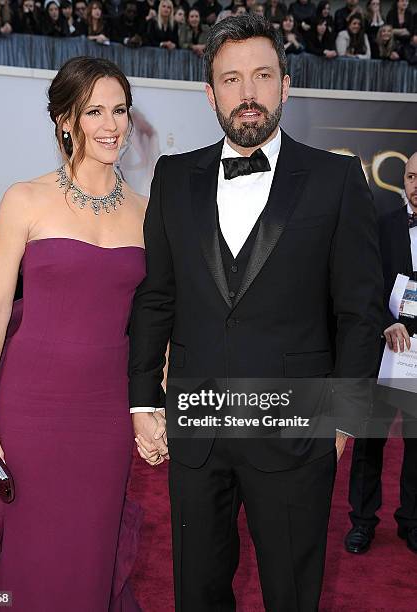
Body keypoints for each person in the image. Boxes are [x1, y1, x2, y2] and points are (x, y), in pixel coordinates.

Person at [128, 14, 382, 612]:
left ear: (285, 85)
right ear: (210, 93)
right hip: (196, 426)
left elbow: (360, 311)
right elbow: (156, 296)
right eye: (232, 79)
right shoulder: (172, 177)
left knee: (291, 595)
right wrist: (143, 399)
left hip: (296, 430)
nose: (248, 93)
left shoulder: (336, 178)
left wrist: (345, 417)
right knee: (198, 592)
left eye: (262, 76)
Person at [0, 56, 147, 612]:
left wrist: (152, 406)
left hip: (106, 414)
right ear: (65, 120)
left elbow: (159, 323)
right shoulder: (25, 200)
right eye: (94, 111)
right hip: (31, 409)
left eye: (120, 110)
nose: (111, 125)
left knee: (89, 556)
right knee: (32, 556)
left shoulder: (148, 214)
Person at [345, 153, 417, 556]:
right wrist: (382, 324)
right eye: (409, 176)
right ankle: (362, 521)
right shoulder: (382, 224)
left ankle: (412, 520)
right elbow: (364, 287)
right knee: (370, 443)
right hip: (385, 349)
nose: (414, 184)